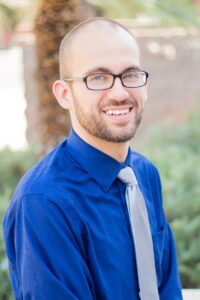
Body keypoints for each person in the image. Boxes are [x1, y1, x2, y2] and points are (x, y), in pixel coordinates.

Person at [3, 18, 183, 299]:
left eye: (130, 74)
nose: (120, 92)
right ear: (64, 94)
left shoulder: (144, 175)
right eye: (98, 78)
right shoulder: (43, 203)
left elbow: (168, 288)